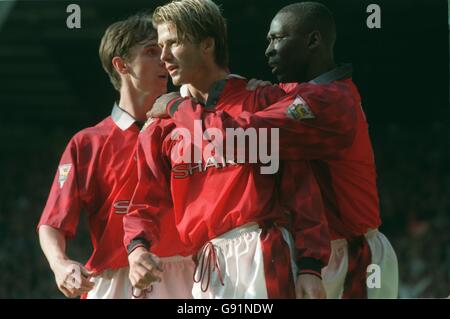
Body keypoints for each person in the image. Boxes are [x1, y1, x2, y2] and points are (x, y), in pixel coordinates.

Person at [156, 2, 399, 298]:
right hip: (324, 248)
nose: (268, 50)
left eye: (277, 39)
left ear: (312, 40)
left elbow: (233, 140)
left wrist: (177, 105)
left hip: (352, 253)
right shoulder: (305, 94)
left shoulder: (328, 101)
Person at [124, 0, 330, 299]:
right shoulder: (160, 126)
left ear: (207, 44)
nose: (164, 57)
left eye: (174, 43)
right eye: (159, 46)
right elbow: (142, 202)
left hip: (263, 251)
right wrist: (137, 250)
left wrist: (311, 267)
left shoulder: (262, 101)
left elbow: (300, 188)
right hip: (207, 265)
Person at [37, 12, 193, 299]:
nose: (165, 59)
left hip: (189, 276)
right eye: (151, 51)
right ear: (121, 65)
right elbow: (51, 223)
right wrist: (60, 265)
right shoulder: (87, 143)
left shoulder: (189, 128)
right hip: (114, 282)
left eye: (165, 50)